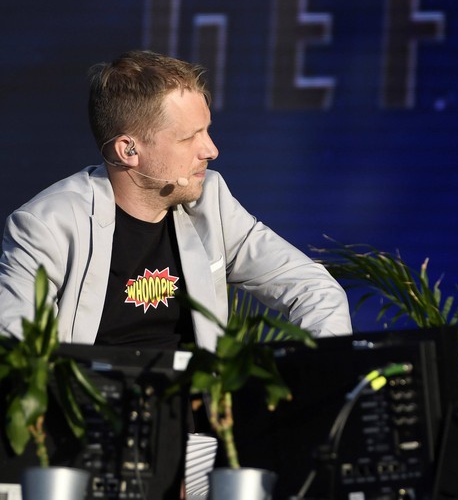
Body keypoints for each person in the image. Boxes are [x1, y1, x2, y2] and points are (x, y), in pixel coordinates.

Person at [0, 49, 351, 348]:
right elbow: (13, 348)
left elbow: (314, 288)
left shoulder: (210, 201)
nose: (211, 150)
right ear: (129, 150)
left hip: (202, 425)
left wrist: (309, 388)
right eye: (189, 138)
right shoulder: (47, 225)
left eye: (207, 130)